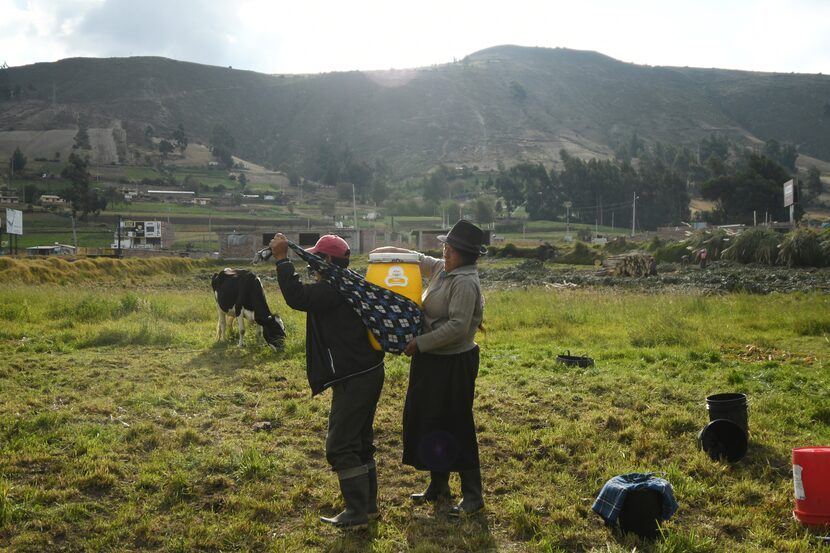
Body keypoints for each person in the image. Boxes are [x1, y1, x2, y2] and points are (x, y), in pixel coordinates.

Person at [269, 233, 385, 530]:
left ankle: (356, 513)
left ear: (329, 261)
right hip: (368, 370)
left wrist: (282, 260)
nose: (313, 264)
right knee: (360, 442)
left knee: (339, 446)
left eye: (317, 258)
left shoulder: (333, 289)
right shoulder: (348, 282)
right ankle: (367, 508)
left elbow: (297, 298)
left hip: (354, 377)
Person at [373, 219, 486, 517]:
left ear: (464, 254)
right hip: (432, 360)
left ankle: (473, 495)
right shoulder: (442, 269)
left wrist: (420, 343)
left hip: (453, 362)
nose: (444, 251)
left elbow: (458, 328)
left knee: (456, 423)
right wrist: (384, 254)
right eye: (445, 247)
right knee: (431, 421)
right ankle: (439, 486)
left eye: (450, 249)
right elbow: (416, 260)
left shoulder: (464, 282)